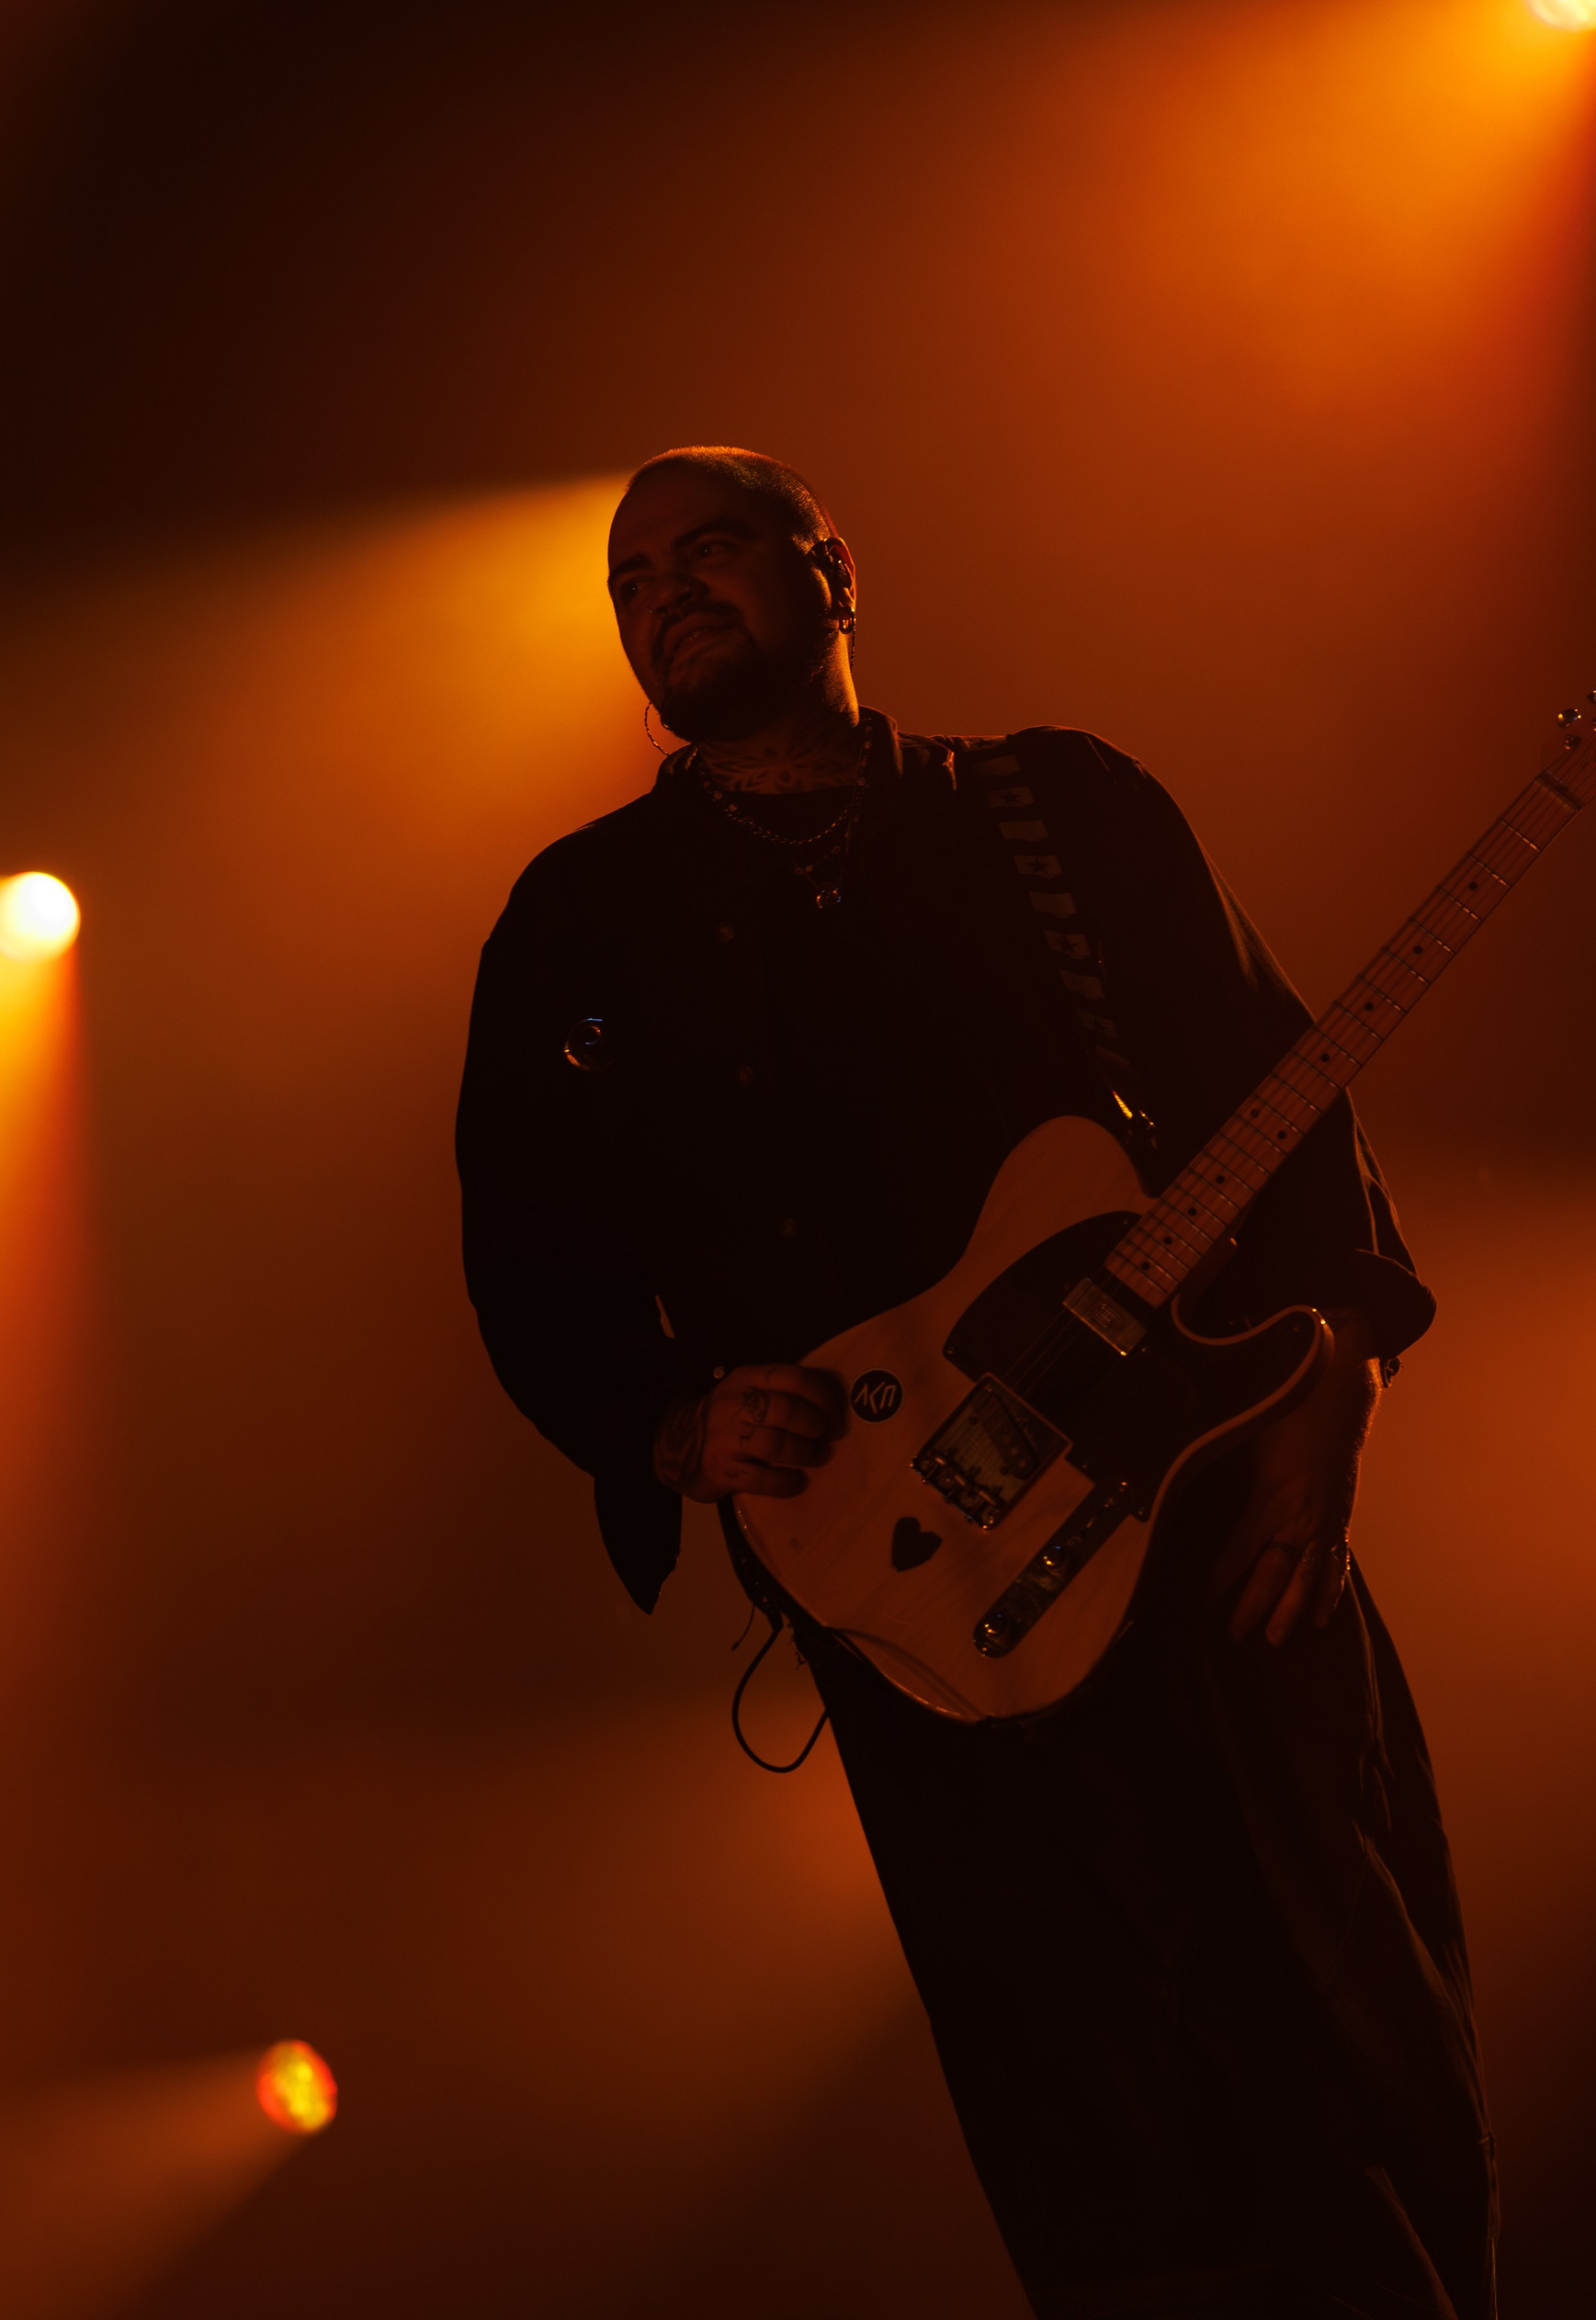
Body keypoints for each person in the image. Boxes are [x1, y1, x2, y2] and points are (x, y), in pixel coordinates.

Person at [455, 447, 1497, 2320]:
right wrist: (674, 1421)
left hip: (1210, 1518)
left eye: (710, 551)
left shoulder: (1060, 809)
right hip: (923, 1591)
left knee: (1344, 2026)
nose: (666, 595)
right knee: (1095, 2109)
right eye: (631, 582)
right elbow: (531, 1251)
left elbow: (1283, 1089)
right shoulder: (580, 920)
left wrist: (1336, 1376)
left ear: (833, 571)